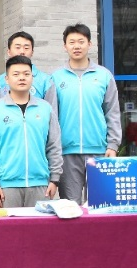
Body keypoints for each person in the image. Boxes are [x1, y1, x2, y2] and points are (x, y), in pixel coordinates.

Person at [52, 23, 122, 204]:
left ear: (89, 44)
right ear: (65, 46)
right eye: (72, 42)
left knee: (99, 205)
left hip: (99, 151)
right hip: (66, 153)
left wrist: (113, 145)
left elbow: (112, 112)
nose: (76, 46)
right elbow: (51, 118)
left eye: (81, 41)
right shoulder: (56, 78)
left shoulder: (104, 75)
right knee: (70, 207)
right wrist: (53, 151)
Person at [0, 56, 63, 208]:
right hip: (6, 185)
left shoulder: (45, 109)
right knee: (8, 224)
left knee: (39, 224)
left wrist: (54, 179)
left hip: (40, 184)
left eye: (26, 74)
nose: (21, 78)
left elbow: (54, 146)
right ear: (6, 79)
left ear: (32, 77)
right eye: (16, 74)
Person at [0, 31, 56, 107]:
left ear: (32, 52)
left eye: (26, 48)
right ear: (9, 52)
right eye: (17, 47)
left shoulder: (46, 81)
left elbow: (51, 110)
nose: (22, 52)